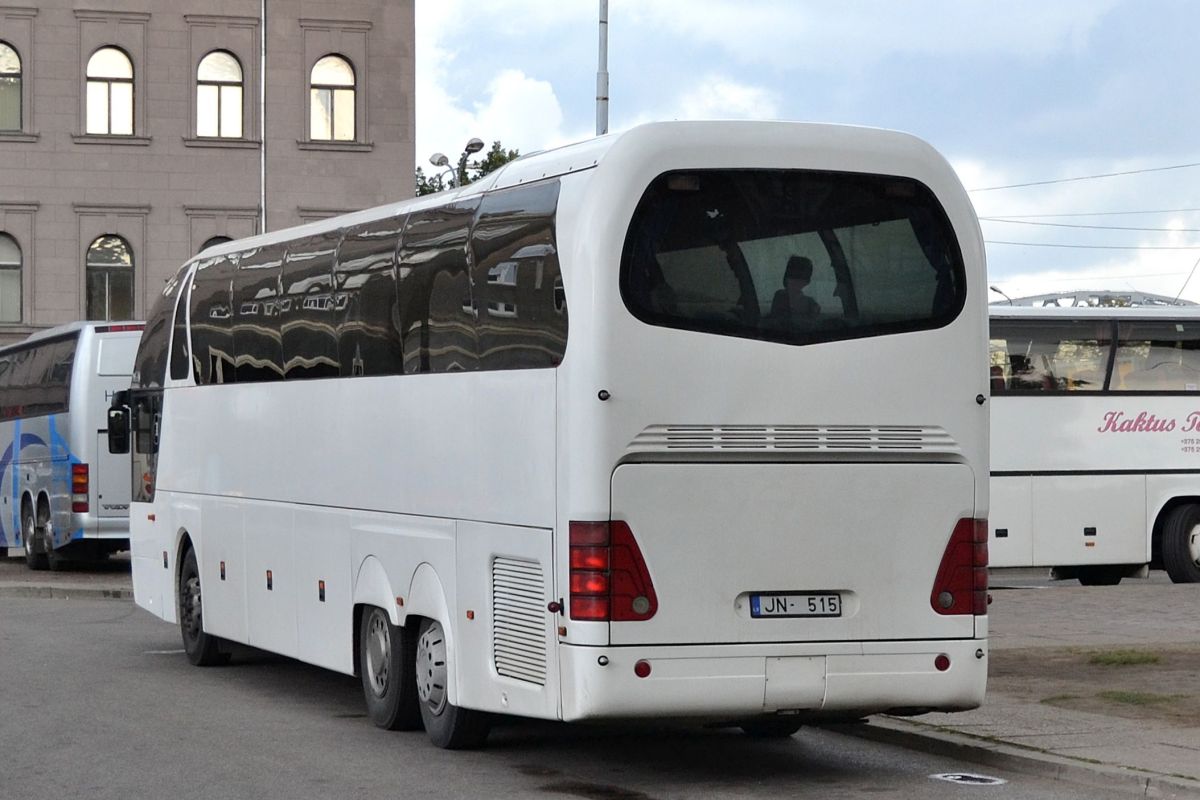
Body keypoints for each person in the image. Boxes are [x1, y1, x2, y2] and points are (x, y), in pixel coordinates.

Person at [769, 256, 820, 323]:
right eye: (792, 276)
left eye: (800, 277)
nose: (795, 280)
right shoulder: (779, 296)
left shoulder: (811, 304)